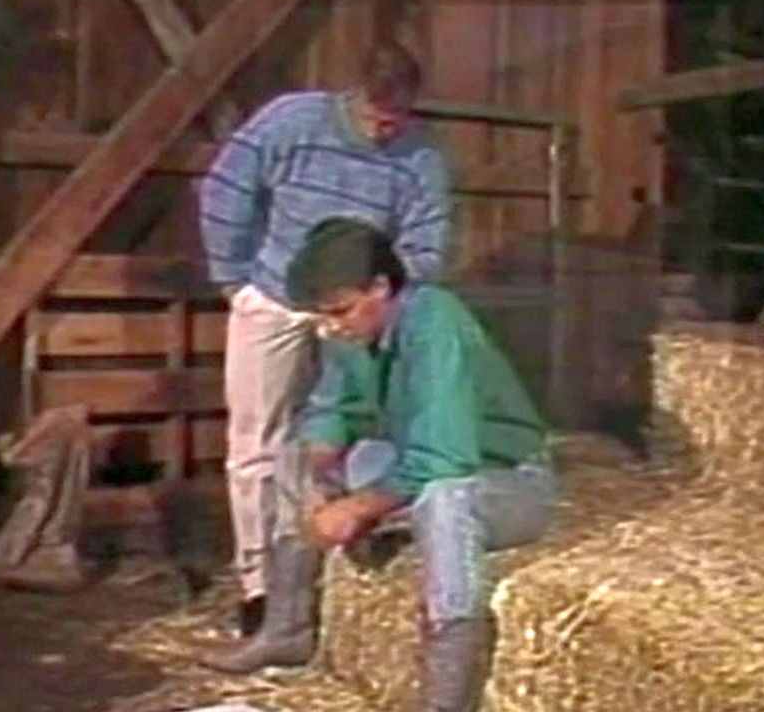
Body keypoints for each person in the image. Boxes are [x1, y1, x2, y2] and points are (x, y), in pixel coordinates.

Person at [204, 218, 557, 712]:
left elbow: (444, 457)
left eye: (340, 312)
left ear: (381, 287)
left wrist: (357, 506)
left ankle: (445, 701)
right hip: (408, 455)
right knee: (290, 455)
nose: (330, 327)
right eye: (321, 317)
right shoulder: (348, 329)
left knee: (444, 496)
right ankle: (286, 628)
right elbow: (332, 407)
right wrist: (320, 458)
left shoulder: (436, 322)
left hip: (505, 478)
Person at [198, 41, 451, 636]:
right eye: (376, 119)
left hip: (355, 311)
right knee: (259, 444)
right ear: (355, 98)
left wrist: (386, 298)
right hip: (277, 299)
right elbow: (226, 191)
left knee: (349, 434)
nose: (387, 131)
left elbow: (428, 242)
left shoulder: (421, 158)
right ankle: (261, 586)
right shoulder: (293, 121)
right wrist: (233, 279)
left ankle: (331, 573)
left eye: (399, 119)